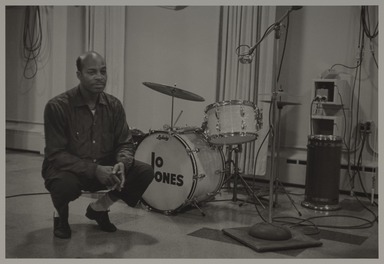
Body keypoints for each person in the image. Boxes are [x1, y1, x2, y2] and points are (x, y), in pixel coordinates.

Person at [42, 51, 154, 239]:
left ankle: (99, 208)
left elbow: (125, 143)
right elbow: (56, 154)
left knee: (144, 172)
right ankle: (60, 216)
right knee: (63, 185)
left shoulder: (114, 105)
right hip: (71, 171)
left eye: (103, 71)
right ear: (79, 75)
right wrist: (95, 170)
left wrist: (121, 163)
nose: (100, 77)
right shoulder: (57, 106)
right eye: (92, 72)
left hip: (105, 167)